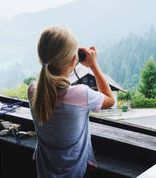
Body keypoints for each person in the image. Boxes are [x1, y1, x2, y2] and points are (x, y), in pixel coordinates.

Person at [28, 25, 115, 178]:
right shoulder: (81, 94)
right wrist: (93, 65)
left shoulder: (33, 90)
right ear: (75, 59)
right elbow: (110, 99)